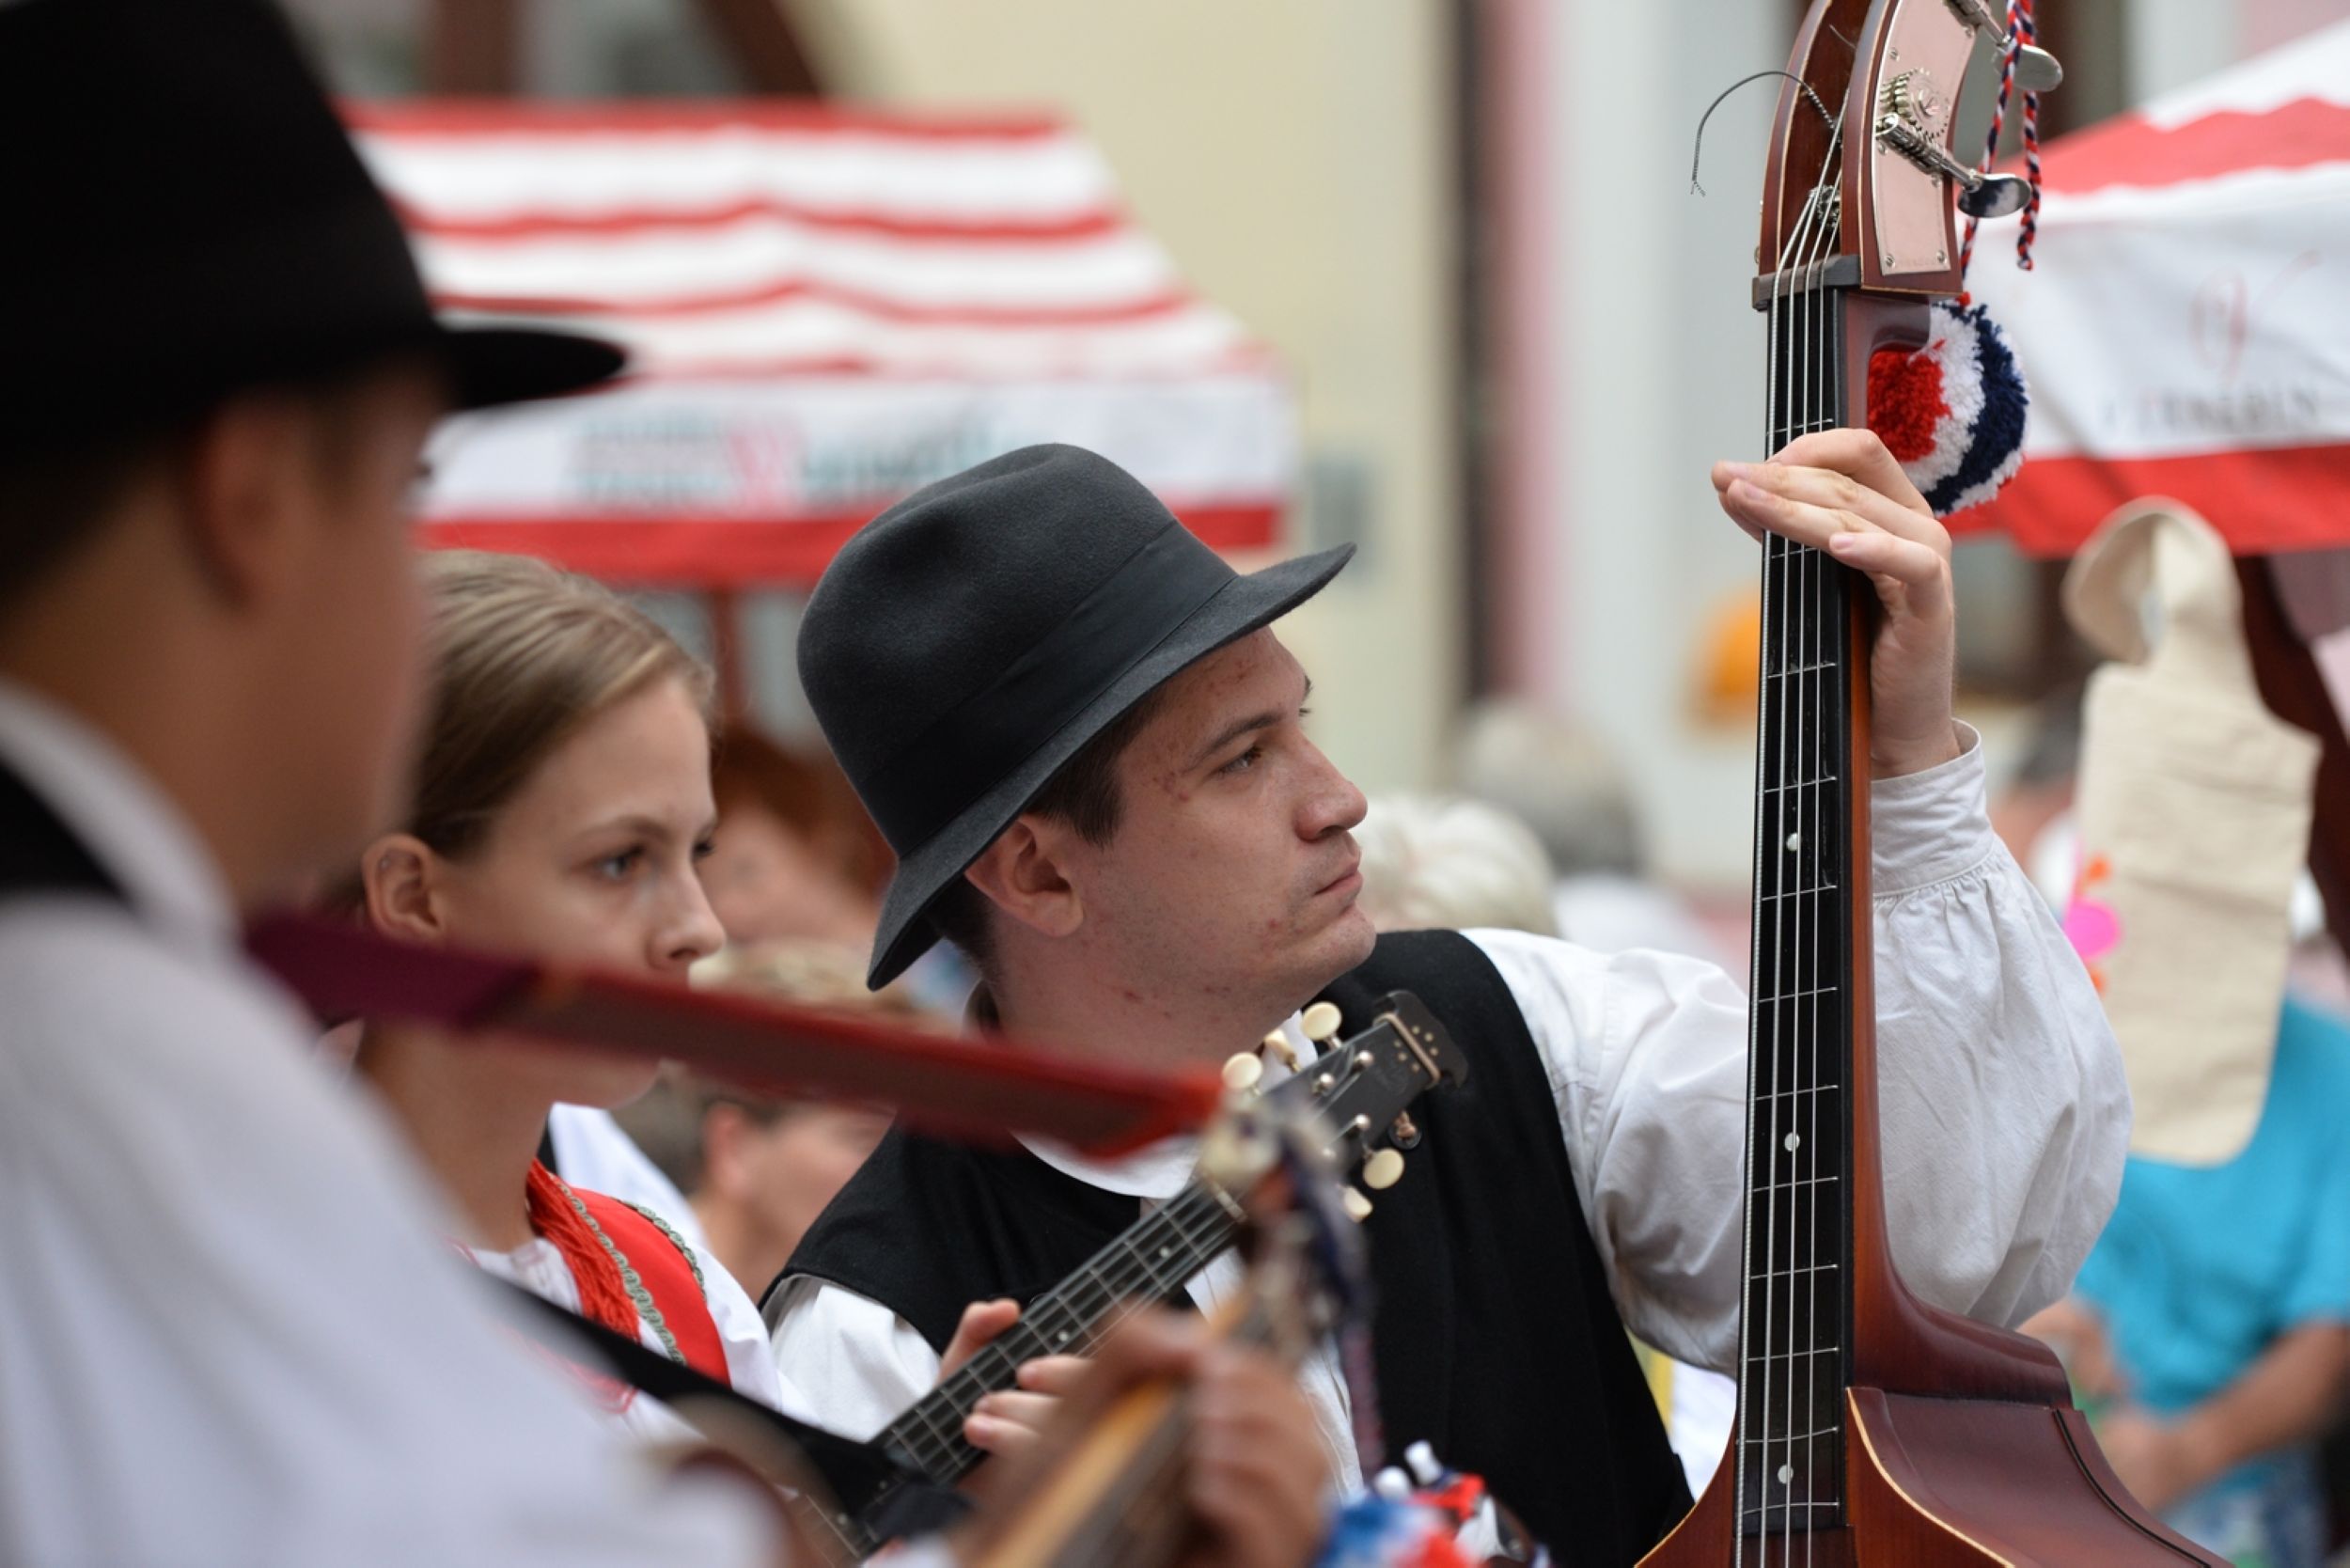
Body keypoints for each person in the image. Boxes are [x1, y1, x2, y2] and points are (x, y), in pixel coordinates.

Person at [0, 4, 1330, 1562]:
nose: (692, 926)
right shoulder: (113, 1071)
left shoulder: (147, 1044)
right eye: (405, 485)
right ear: (256, 495)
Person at [768, 440, 2131, 1560]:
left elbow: (1946, 1249)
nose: (1336, 794)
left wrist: (1906, 777)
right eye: (1244, 760)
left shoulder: (1504, 1020)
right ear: (1040, 872)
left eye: (1299, 720)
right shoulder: (879, 1332)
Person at [347, 549, 783, 1423]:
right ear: (412, 896)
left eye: (694, 852)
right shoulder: (274, 1304)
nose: (699, 928)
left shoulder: (679, 1288)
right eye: (620, 862)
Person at [2025, 995, 2350, 1568]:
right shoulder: (2044, 979)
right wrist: (2004, 1323)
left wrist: (2186, 1453)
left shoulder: (2330, 1069)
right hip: (2024, 1434)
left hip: (2219, 1478)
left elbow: (2329, 1349)